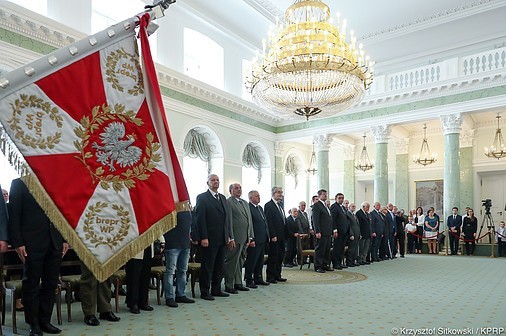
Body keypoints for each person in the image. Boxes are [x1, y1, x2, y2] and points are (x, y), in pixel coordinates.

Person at [8, 178, 68, 336]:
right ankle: (33, 323)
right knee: (31, 283)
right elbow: (14, 215)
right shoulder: (20, 183)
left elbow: (62, 212)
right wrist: (17, 243)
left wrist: (65, 239)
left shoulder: (56, 182)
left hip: (54, 240)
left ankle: (45, 320)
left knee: (51, 283)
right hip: (31, 242)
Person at [194, 174, 234, 300]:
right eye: (213, 180)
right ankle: (205, 291)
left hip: (222, 238)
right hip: (209, 239)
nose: (216, 182)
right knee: (208, 266)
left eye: (217, 180)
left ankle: (216, 289)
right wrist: (203, 237)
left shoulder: (222, 198)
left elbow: (226, 219)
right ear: (208, 183)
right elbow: (200, 219)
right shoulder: (202, 197)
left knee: (220, 265)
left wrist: (228, 236)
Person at [224, 183, 254, 294]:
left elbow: (249, 221)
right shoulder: (228, 202)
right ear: (230, 190)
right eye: (236, 188)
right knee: (232, 262)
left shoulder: (245, 203)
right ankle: (229, 284)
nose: (239, 190)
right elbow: (229, 221)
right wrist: (231, 237)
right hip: (235, 237)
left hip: (245, 237)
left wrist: (250, 236)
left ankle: (238, 282)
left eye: (240, 188)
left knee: (241, 261)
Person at [163, 210, 195, 307]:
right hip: (172, 244)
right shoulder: (169, 209)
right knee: (170, 272)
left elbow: (190, 226)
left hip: (185, 244)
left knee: (183, 271)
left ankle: (180, 294)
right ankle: (169, 297)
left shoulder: (187, 210)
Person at [245, 190, 270, 288]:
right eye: (257, 196)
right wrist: (252, 238)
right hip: (254, 239)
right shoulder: (248, 207)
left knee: (260, 261)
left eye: (259, 196)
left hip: (262, 239)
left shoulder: (260, 208)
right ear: (250, 198)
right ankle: (248, 279)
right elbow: (250, 225)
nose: (259, 197)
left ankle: (258, 278)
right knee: (252, 260)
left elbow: (264, 222)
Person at [264, 186, 287, 283]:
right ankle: (270, 276)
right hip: (275, 236)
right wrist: (272, 235)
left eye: (281, 192)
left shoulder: (280, 205)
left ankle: (278, 275)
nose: (280, 194)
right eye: (278, 192)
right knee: (273, 256)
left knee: (280, 256)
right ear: (273, 193)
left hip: (282, 236)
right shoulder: (269, 205)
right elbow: (269, 222)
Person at [125, 245, 153, 314]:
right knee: (134, 278)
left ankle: (143, 302)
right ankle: (133, 303)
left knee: (145, 277)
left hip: (147, 246)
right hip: (134, 249)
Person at [312, 189, 333, 273]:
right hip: (321, 232)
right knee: (320, 249)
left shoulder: (325, 205)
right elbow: (315, 219)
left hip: (327, 232)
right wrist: (317, 231)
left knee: (327, 249)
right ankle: (318, 266)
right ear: (319, 195)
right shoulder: (317, 205)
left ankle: (325, 265)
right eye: (324, 194)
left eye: (326, 194)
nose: (326, 196)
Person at [330, 193, 348, 269]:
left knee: (341, 248)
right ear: (336, 199)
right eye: (339, 198)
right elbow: (333, 219)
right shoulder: (334, 206)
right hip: (338, 231)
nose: (341, 199)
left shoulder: (343, 208)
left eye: (342, 198)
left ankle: (340, 262)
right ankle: (335, 263)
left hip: (344, 231)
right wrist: (334, 230)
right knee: (337, 248)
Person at [345, 202, 360, 267]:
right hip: (352, 234)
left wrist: (360, 234)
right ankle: (349, 262)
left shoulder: (354, 214)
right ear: (349, 207)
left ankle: (353, 261)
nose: (354, 208)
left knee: (355, 249)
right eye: (352, 206)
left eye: (354, 207)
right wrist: (351, 234)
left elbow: (357, 225)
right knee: (351, 249)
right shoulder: (348, 214)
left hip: (357, 233)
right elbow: (349, 225)